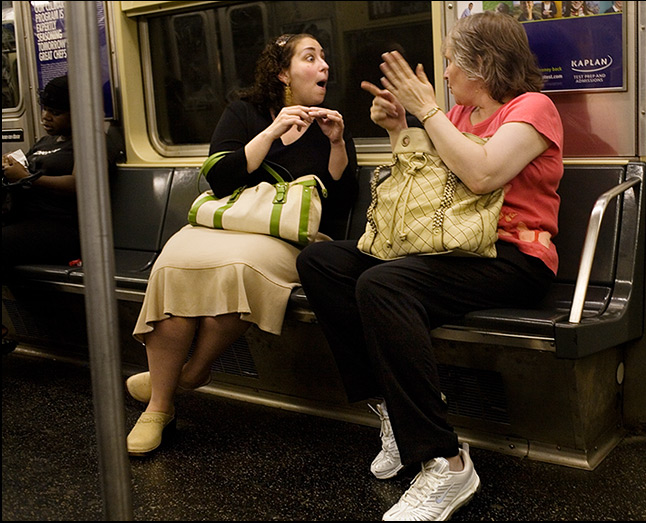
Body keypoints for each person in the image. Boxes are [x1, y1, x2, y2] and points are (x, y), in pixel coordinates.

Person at [296, 11, 563, 522]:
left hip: (514, 257)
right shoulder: (458, 117)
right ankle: (394, 413)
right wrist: (401, 128)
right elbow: (428, 192)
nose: (443, 76)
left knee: (383, 286)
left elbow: (482, 175)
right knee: (323, 261)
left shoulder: (533, 109)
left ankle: (447, 460)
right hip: (454, 247)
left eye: (449, 65)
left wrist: (427, 112)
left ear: (480, 65)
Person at [125, 33, 357, 456]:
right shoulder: (244, 112)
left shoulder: (330, 126)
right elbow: (221, 176)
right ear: (283, 72)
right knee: (173, 265)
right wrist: (271, 132)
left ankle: (190, 373)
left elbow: (340, 203)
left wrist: (337, 143)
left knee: (241, 269)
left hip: (283, 234)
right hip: (225, 222)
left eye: (325, 57)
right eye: (311, 57)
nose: (324, 65)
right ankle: (159, 407)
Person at [2, 75, 122, 352]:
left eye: (55, 112)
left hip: (63, 228)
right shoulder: (44, 141)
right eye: (45, 109)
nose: (45, 116)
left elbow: (83, 186)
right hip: (27, 222)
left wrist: (29, 178)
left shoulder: (92, 142)